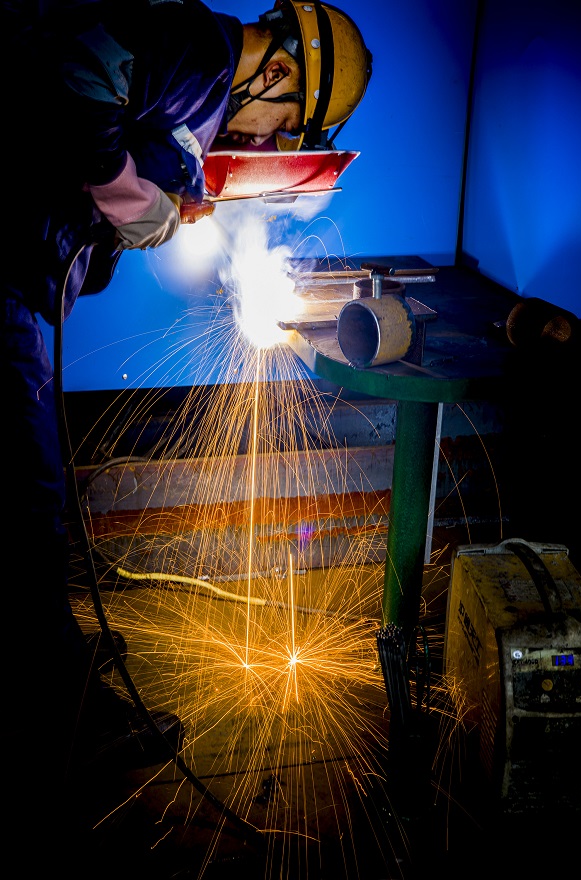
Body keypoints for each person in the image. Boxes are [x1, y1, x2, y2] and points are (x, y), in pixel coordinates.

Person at [2, 0, 371, 868]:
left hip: (14, 281)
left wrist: (155, 194)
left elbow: (102, 129)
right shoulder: (200, 48)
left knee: (33, 493)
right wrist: (134, 198)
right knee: (29, 499)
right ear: (277, 74)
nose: (270, 143)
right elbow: (72, 82)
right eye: (286, 129)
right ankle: (63, 715)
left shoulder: (187, 80)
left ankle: (54, 663)